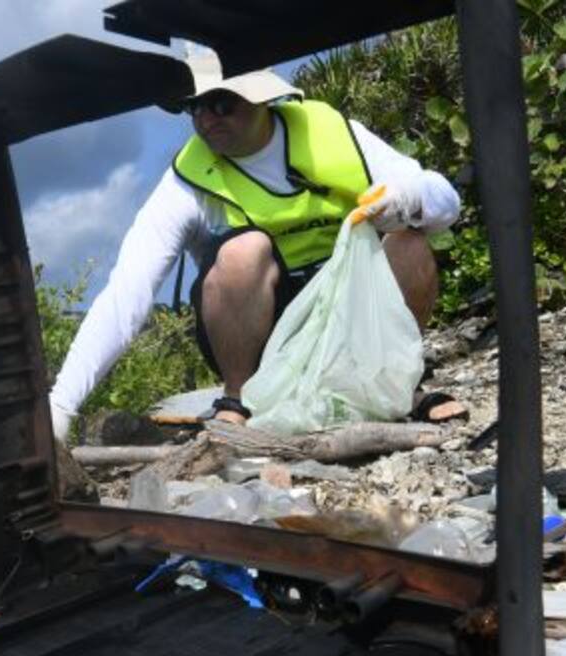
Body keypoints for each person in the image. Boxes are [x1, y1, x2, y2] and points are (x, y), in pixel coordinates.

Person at [49, 61, 460, 439]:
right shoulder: (187, 181)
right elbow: (127, 293)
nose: (206, 120)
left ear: (262, 100)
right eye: (194, 108)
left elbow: (445, 201)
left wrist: (406, 199)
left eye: (221, 103)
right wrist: (61, 405)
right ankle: (239, 401)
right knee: (243, 251)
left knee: (409, 238)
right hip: (263, 341)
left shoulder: (335, 134)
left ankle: (399, 386)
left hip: (352, 322)